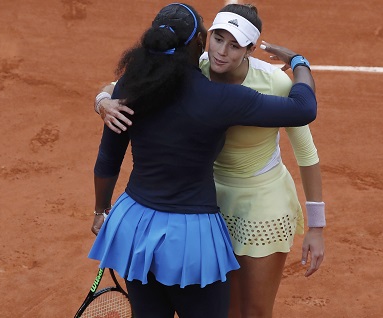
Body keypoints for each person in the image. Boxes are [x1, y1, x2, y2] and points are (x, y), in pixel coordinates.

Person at [88, 2, 320, 318]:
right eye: (215, 39)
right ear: (201, 41)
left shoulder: (138, 80)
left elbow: (108, 156)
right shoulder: (219, 98)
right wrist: (299, 61)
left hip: (137, 224)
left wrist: (102, 102)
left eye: (234, 44)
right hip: (194, 232)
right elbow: (304, 108)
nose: (221, 51)